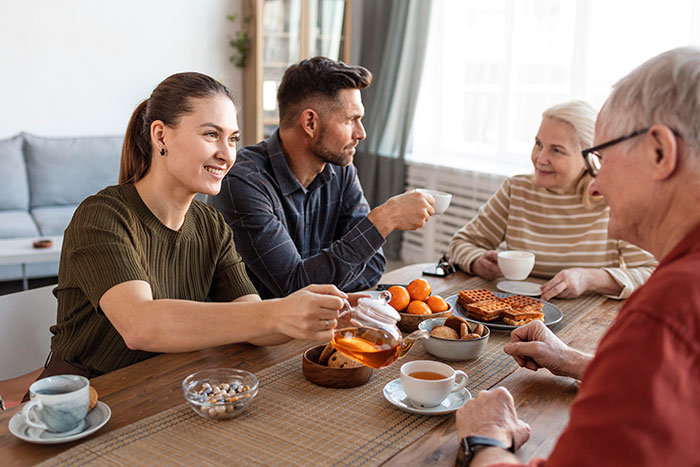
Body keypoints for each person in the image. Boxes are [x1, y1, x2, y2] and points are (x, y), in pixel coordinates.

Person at [454, 46, 700, 466]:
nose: (598, 184)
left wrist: (486, 441)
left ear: (660, 152)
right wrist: (574, 361)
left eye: (601, 158)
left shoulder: (666, 311)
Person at [39, 72, 350, 383]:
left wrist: (325, 312)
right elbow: (140, 327)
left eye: (232, 139)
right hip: (81, 401)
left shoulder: (211, 225)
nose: (227, 155)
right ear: (160, 136)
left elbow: (255, 322)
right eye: (211, 135)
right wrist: (279, 313)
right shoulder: (102, 216)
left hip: (163, 385)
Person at [212, 57, 435, 299]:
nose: (361, 133)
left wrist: (318, 275)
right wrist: (385, 218)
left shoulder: (341, 169)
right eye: (351, 120)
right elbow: (295, 288)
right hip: (257, 333)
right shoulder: (243, 182)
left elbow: (373, 266)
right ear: (310, 122)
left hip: (321, 323)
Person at [448, 100, 657, 301]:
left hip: (586, 321)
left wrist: (590, 279)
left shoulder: (613, 198)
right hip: (515, 310)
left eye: (556, 150)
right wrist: (477, 261)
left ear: (589, 157)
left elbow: (653, 273)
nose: (540, 158)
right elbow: (461, 243)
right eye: (538, 144)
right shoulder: (516, 190)